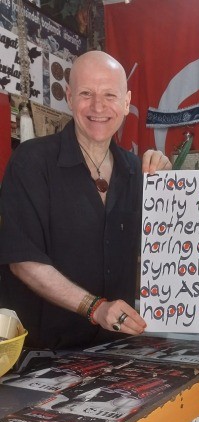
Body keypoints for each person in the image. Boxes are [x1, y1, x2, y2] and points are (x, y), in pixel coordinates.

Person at [0, 51, 171, 350]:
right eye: (86, 93)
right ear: (69, 97)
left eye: (109, 95)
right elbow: (23, 261)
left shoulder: (138, 171)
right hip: (42, 354)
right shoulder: (32, 161)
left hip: (117, 349)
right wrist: (96, 308)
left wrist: (168, 187)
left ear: (126, 102)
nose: (98, 106)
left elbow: (163, 250)